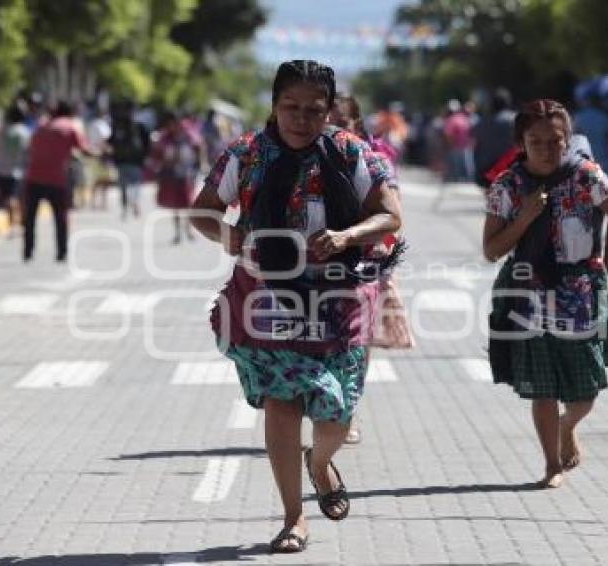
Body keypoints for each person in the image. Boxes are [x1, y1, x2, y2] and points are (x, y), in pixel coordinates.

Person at [190, 60, 402, 553]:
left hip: (338, 297)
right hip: (268, 299)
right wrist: (231, 234)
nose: (301, 119)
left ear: (330, 111)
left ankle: (321, 463)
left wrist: (349, 234)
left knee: (337, 414)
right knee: (281, 406)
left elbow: (391, 215)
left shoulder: (353, 153)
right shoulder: (247, 154)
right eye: (291, 107)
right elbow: (202, 211)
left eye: (314, 110)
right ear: (273, 105)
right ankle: (293, 518)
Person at [483, 99, 608, 489]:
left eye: (555, 141)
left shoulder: (586, 176)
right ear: (521, 142)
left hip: (579, 292)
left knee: (586, 389)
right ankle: (551, 465)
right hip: (529, 295)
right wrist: (527, 215)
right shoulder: (508, 186)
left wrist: (606, 262)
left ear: (567, 139)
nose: (548, 150)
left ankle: (568, 425)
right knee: (542, 385)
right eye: (537, 142)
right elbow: (491, 249)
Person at [329, 94, 414, 445]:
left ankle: (347, 412)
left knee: (357, 342)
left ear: (357, 127)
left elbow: (392, 214)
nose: (332, 132)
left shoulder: (372, 160)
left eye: (341, 124)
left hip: (366, 263)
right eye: (326, 123)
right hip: (317, 267)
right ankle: (326, 409)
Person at [23, 100, 97, 262]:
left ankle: (28, 251)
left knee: (30, 217)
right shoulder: (70, 127)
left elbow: (30, 149)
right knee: (60, 218)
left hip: (34, 176)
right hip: (57, 179)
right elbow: (84, 150)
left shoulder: (40, 126)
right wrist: (100, 153)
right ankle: (61, 252)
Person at [152, 111, 202, 243]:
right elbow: (158, 154)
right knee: (175, 206)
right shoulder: (166, 138)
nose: (171, 127)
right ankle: (177, 233)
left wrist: (197, 165)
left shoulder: (188, 135)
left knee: (188, 204)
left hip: (187, 174)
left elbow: (198, 147)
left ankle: (189, 230)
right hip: (172, 175)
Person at [0, 103, 30, 236]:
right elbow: (28, 151)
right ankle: (16, 223)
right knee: (14, 198)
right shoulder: (24, 132)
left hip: (0, 169)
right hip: (16, 170)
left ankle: (14, 223)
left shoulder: (2, 130)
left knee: (8, 199)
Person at [109, 100, 150, 218]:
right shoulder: (140, 125)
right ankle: (135, 202)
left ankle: (124, 208)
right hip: (136, 160)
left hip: (121, 160)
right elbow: (147, 143)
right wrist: (145, 157)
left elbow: (112, 142)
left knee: (123, 186)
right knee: (135, 183)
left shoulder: (118, 125)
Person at [472, 88, 516, 188]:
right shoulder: (515, 120)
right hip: (510, 166)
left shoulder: (482, 122)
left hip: (487, 168)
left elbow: (477, 144)